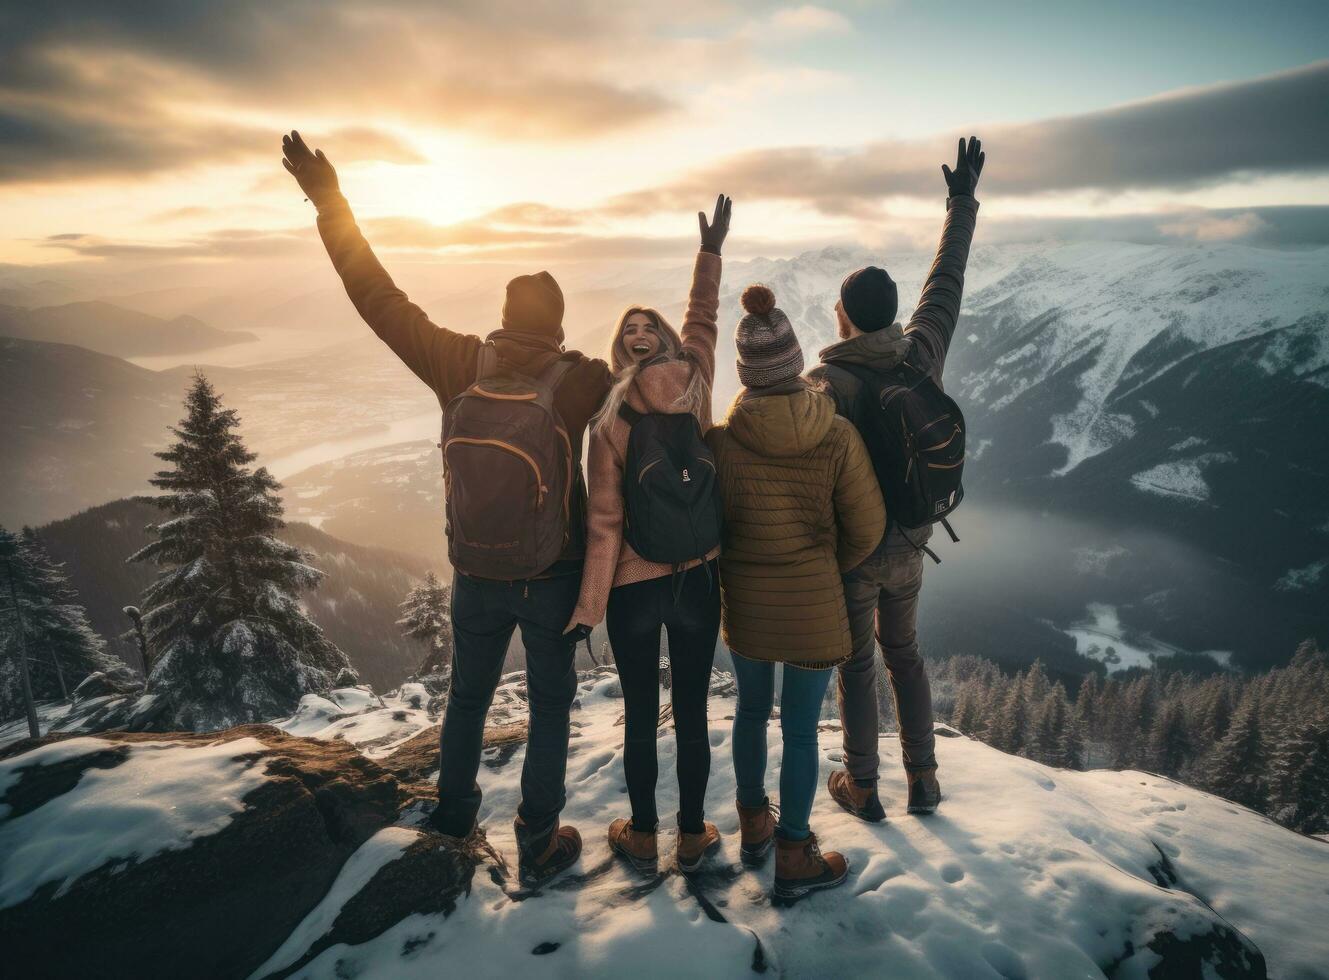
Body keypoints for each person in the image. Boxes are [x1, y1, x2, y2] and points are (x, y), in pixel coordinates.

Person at [281, 131, 613, 886]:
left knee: (468, 698)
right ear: (557, 327)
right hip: (553, 574)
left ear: (502, 317)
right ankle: (536, 836)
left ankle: (455, 816)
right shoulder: (581, 379)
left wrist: (329, 201)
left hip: (474, 573)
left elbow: (376, 296)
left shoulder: (458, 360)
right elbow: (655, 377)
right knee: (552, 705)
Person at [807, 136, 985, 821]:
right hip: (911, 541)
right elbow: (946, 281)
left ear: (844, 315)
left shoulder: (827, 382)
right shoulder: (921, 355)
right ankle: (923, 780)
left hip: (854, 551)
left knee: (857, 667)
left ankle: (862, 786)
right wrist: (961, 201)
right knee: (903, 655)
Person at [566, 197, 732, 876]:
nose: (638, 330)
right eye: (636, 324)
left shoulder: (608, 419)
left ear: (625, 348)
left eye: (638, 325)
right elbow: (704, 317)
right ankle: (692, 835)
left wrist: (587, 609)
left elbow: (603, 524)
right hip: (698, 577)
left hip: (635, 590)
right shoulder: (695, 380)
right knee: (691, 711)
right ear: (660, 340)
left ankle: (640, 833)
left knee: (640, 715)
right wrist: (710, 252)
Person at [706, 284, 886, 906]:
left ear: (746, 373)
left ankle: (752, 821)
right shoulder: (835, 435)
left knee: (752, 713)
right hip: (813, 605)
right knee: (804, 731)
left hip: (749, 604)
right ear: (793, 360)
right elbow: (867, 529)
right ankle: (794, 851)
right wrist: (820, 567)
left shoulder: (721, 443)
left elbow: (710, 526)